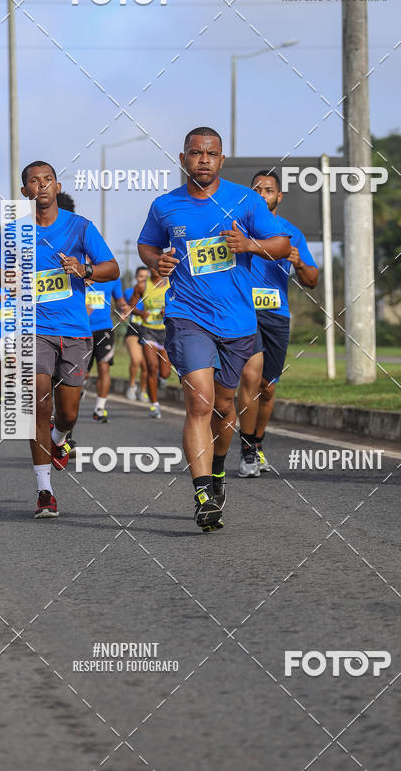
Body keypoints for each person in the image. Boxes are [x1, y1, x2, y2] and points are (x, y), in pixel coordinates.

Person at [138, 126, 290, 532]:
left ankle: (218, 468)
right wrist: (158, 263)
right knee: (200, 404)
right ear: (183, 157)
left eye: (211, 153)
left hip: (238, 322)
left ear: (222, 159)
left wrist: (249, 246)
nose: (203, 159)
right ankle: (204, 493)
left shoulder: (244, 200)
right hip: (187, 315)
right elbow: (147, 246)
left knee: (225, 409)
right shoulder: (165, 206)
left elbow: (282, 244)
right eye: (195, 153)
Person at [0, 161, 119, 518]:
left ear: (56, 185)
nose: (42, 186)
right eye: (34, 181)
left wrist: (84, 269)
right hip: (34, 330)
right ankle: (44, 490)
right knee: (39, 405)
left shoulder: (80, 228)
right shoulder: (16, 231)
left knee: (68, 413)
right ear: (24, 192)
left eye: (47, 180)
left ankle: (60, 441)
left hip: (76, 332)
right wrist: (12, 276)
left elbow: (112, 268)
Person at [237, 170, 319, 477]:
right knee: (250, 376)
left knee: (267, 388)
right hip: (243, 312)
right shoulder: (238, 228)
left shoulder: (290, 233)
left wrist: (297, 263)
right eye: (256, 189)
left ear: (278, 196)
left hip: (276, 315)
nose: (261, 194)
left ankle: (256, 445)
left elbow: (311, 280)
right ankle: (246, 451)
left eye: (268, 190)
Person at [126, 268, 170, 419]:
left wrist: (168, 310)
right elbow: (131, 306)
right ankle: (154, 405)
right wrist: (141, 313)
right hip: (148, 331)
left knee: (165, 373)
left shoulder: (170, 284)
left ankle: (161, 380)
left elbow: (182, 302)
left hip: (165, 332)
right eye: (153, 266)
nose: (155, 269)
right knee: (152, 366)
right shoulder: (142, 286)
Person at [85, 277, 129, 421]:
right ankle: (78, 390)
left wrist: (124, 309)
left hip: (104, 328)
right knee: (82, 372)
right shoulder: (77, 273)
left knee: (104, 367)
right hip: (82, 330)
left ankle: (99, 408)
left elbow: (120, 301)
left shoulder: (112, 278)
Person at [124, 266, 149, 402]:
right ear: (135, 277)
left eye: (146, 278)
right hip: (133, 328)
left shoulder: (153, 291)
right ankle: (132, 386)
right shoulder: (129, 292)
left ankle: (143, 390)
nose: (143, 280)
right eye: (141, 277)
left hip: (148, 329)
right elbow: (128, 307)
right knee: (136, 359)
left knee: (146, 364)